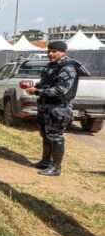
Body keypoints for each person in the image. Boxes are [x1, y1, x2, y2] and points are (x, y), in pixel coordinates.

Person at [25, 41, 90, 176]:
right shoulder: (52, 66)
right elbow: (46, 82)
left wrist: (37, 92)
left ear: (63, 52)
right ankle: (45, 162)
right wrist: (36, 86)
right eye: (49, 51)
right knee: (45, 135)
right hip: (46, 106)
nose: (50, 54)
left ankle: (56, 168)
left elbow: (61, 90)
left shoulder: (68, 67)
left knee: (56, 137)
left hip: (59, 107)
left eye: (54, 51)